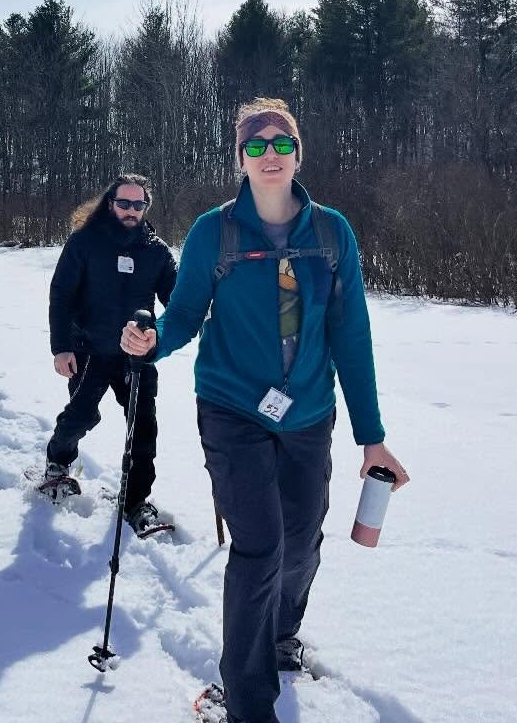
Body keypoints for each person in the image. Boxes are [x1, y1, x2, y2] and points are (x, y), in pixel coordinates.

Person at [120, 98, 410, 723]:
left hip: (307, 412)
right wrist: (154, 339)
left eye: (281, 143)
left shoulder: (332, 232)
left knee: (302, 541)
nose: (269, 154)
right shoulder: (214, 232)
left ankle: (279, 636)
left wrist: (372, 437)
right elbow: (187, 313)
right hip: (231, 408)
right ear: (240, 159)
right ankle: (247, 700)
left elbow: (350, 334)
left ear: (298, 153)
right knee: (259, 546)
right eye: (256, 146)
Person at [42, 173, 177, 536]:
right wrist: (61, 347)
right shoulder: (85, 242)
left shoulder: (157, 251)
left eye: (138, 204)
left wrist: (212, 302)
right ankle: (57, 462)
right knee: (82, 416)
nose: (131, 211)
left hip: (137, 356)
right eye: (124, 203)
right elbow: (61, 296)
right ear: (110, 203)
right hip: (89, 349)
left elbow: (178, 302)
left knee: (143, 427)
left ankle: (135, 501)